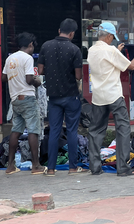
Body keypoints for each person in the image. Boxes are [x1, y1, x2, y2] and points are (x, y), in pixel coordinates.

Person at [87, 22, 134, 176]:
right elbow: (131, 66)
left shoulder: (91, 50)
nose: (112, 41)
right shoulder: (111, 50)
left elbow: (107, 62)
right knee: (123, 129)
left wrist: (116, 51)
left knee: (95, 131)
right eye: (112, 38)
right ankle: (123, 168)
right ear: (109, 36)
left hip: (98, 97)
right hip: (114, 95)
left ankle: (94, 167)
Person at [38, 18, 84, 176]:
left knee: (54, 131)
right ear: (71, 33)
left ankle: (50, 169)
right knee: (71, 131)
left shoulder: (46, 46)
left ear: (59, 30)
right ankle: (72, 167)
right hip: (71, 96)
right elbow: (78, 76)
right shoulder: (74, 50)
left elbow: (41, 70)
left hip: (54, 98)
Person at [2, 32, 46, 175]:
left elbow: (3, 78)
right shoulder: (27, 58)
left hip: (15, 99)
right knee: (33, 130)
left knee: (16, 130)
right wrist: (37, 82)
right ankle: (36, 166)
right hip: (27, 97)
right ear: (30, 45)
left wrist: (15, 78)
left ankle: (10, 166)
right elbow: (29, 80)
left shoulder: (10, 58)